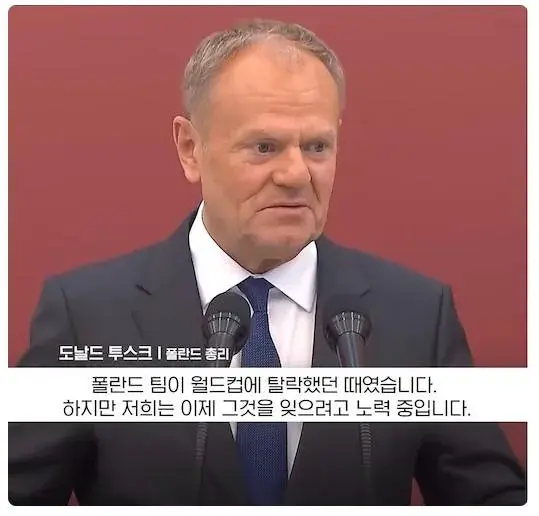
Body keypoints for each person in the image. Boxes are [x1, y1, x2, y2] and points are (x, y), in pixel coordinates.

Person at [9, 19, 526, 506]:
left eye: (317, 146)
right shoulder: (87, 317)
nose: (296, 174)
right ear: (190, 149)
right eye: (264, 146)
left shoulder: (416, 316)